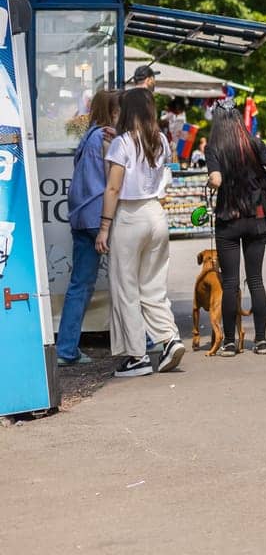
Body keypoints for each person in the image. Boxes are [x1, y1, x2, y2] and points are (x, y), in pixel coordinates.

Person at [95, 87, 185, 378]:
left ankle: (137, 356)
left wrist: (105, 226)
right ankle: (170, 338)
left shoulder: (121, 143)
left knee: (126, 288)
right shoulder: (160, 140)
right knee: (154, 286)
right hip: (156, 214)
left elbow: (113, 187)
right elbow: (167, 177)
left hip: (129, 215)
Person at [207, 101, 266, 355]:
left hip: (228, 220)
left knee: (230, 282)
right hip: (256, 220)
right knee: (255, 279)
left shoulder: (215, 147)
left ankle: (230, 343)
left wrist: (212, 181)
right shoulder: (255, 143)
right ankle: (262, 340)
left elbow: (217, 180)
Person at [60, 89, 120, 367]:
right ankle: (143, 339)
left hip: (81, 215)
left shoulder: (88, 137)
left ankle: (67, 348)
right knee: (126, 280)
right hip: (101, 216)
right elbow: (112, 181)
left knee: (79, 286)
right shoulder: (106, 139)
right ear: (114, 112)